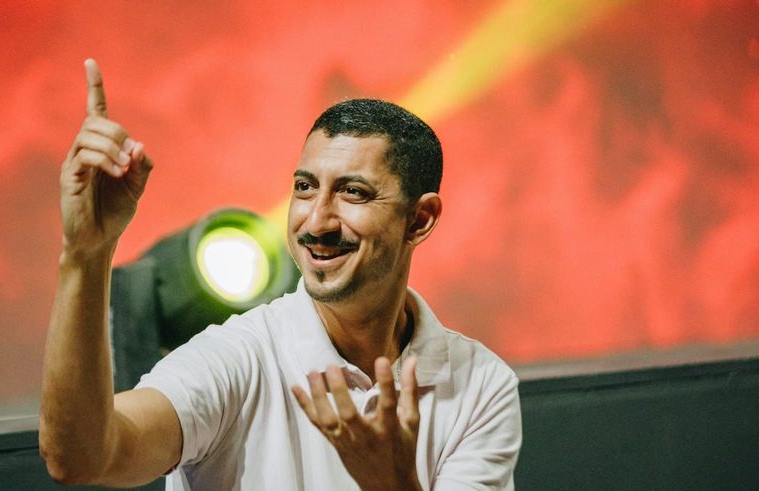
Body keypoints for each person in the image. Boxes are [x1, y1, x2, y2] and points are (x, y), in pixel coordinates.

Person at [39, 59, 522, 490]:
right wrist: (86, 252)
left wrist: (391, 484)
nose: (317, 221)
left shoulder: (481, 384)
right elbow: (84, 458)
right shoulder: (237, 358)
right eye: (305, 187)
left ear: (419, 220)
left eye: (353, 192)